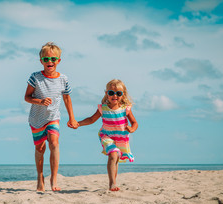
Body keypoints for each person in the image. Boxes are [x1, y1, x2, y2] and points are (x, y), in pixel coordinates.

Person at [24, 42, 78, 192]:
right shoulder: (35, 77)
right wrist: (40, 101)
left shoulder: (63, 79)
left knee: (54, 143)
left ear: (58, 61)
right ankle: (40, 176)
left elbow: (67, 99)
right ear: (41, 60)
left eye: (53, 59)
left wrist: (72, 118)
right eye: (46, 59)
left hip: (53, 116)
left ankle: (53, 178)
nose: (50, 62)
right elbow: (27, 97)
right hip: (36, 119)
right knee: (40, 148)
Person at [77, 79, 138, 191]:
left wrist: (132, 128)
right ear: (106, 94)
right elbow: (91, 119)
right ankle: (112, 183)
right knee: (113, 155)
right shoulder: (103, 108)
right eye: (111, 93)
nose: (114, 96)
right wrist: (78, 124)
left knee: (116, 159)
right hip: (106, 136)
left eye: (118, 93)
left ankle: (113, 181)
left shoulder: (126, 109)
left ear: (123, 94)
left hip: (121, 138)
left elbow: (134, 123)